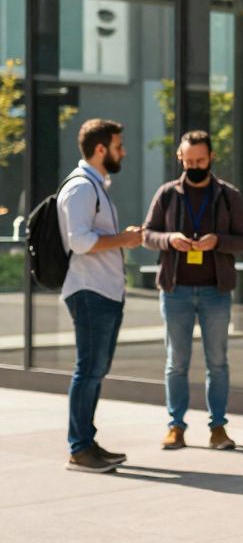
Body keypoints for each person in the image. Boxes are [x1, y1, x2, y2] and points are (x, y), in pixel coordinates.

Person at [141, 130, 243, 451]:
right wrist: (169, 239)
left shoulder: (229, 195)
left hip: (215, 292)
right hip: (175, 291)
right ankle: (175, 426)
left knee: (217, 361)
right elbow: (147, 234)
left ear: (212, 157)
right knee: (176, 361)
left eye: (200, 161)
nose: (194, 166)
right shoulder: (167, 194)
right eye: (188, 161)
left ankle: (218, 427)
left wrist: (218, 241)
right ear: (180, 159)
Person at [59, 119, 143, 473]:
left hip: (103, 291)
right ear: (100, 149)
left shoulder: (96, 186)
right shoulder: (81, 188)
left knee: (95, 370)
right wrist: (123, 240)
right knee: (88, 370)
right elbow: (79, 241)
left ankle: (87, 442)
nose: (122, 151)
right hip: (89, 291)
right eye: (118, 145)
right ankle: (79, 449)